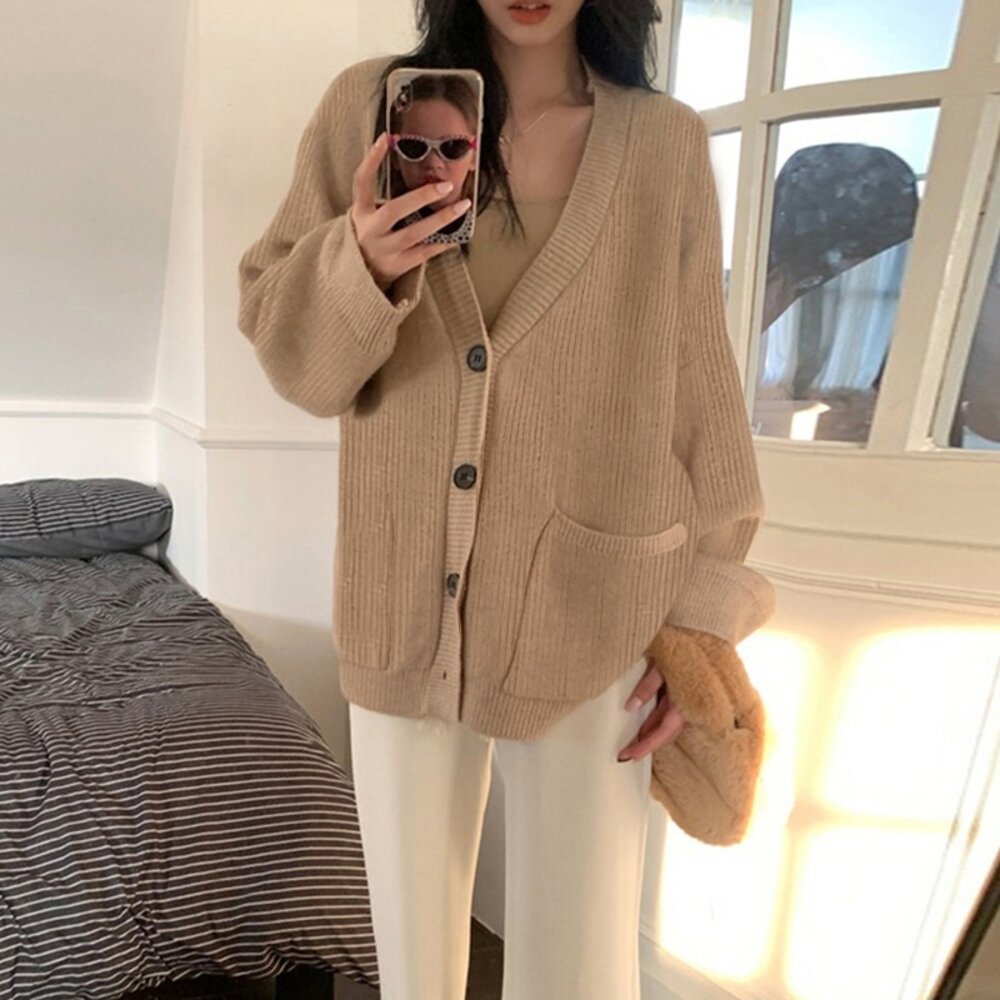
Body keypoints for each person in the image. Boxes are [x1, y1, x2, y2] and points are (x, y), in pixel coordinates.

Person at [236, 1, 776, 997]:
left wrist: (704, 616)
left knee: (580, 955)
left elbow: (701, 379)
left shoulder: (661, 143)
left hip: (598, 595)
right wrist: (361, 262)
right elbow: (293, 354)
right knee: (413, 955)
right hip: (401, 596)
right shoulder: (367, 108)